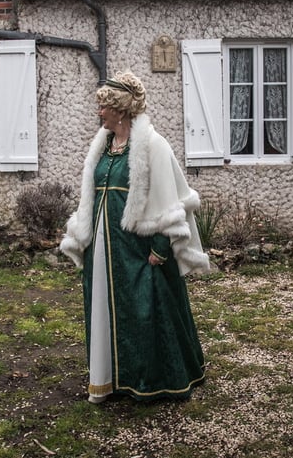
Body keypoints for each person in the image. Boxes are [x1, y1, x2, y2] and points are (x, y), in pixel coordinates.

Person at [60, 70, 209, 403]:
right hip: (104, 248)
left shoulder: (153, 146)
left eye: (104, 107)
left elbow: (173, 200)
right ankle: (110, 377)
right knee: (105, 309)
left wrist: (160, 245)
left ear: (121, 110)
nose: (99, 113)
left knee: (145, 311)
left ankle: (151, 380)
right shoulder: (104, 146)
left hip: (140, 251)